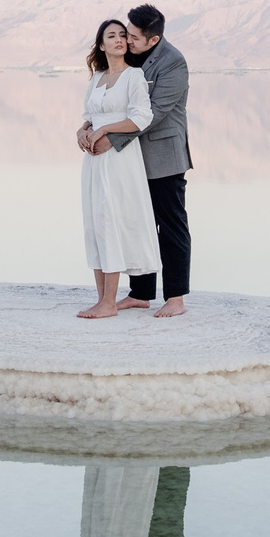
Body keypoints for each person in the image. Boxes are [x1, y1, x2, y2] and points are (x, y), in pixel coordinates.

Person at [91, 2, 191, 317]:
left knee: (170, 225)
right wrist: (89, 128)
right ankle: (141, 293)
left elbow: (155, 113)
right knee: (134, 221)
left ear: (154, 40)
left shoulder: (173, 63)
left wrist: (108, 138)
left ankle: (175, 298)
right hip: (129, 160)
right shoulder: (132, 57)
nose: (128, 41)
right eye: (126, 34)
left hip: (163, 157)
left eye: (134, 37)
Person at [76, 19, 160, 318]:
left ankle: (110, 302)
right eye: (111, 36)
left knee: (111, 219)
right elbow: (88, 116)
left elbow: (141, 118)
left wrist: (105, 131)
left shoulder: (133, 76)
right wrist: (82, 132)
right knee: (96, 221)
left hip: (120, 159)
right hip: (94, 160)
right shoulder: (97, 77)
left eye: (123, 35)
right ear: (101, 44)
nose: (119, 40)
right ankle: (101, 299)